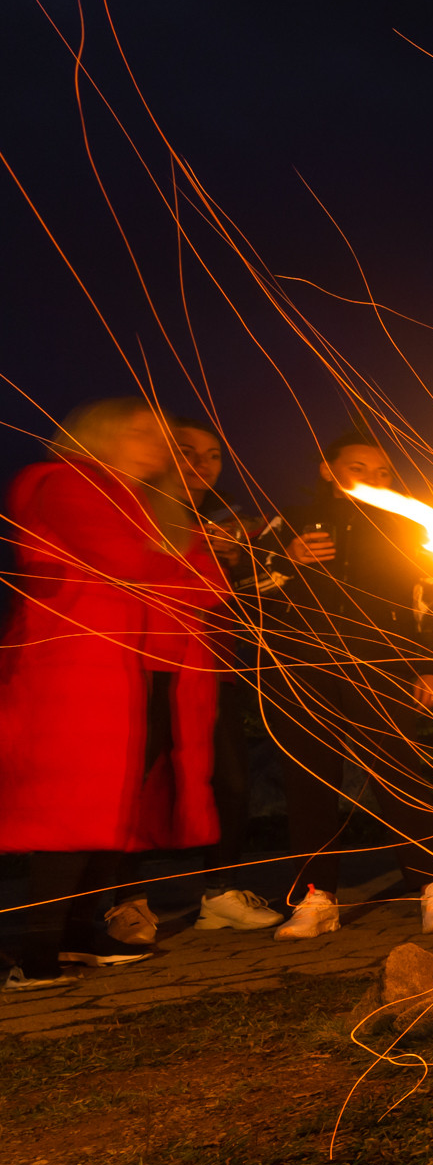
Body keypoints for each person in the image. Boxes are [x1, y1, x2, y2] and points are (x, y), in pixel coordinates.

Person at [1, 398, 228, 984]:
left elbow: (210, 585)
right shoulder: (63, 482)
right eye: (141, 432)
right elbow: (125, 559)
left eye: (162, 434)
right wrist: (177, 566)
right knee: (70, 811)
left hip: (140, 670)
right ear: (99, 434)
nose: (159, 445)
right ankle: (36, 952)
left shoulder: (151, 504)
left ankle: (79, 936)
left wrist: (177, 566)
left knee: (115, 808)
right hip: (75, 672)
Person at [260, 430, 433, 938]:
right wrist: (288, 559)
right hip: (302, 665)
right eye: (358, 468)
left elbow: (432, 597)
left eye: (383, 472)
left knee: (398, 772)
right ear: (328, 470)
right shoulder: (289, 519)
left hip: (379, 663)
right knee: (310, 781)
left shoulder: (409, 525)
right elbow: (247, 588)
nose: (373, 479)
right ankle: (315, 897)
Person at [169, 416, 284, 932]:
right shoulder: (146, 510)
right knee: (148, 784)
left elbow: (243, 599)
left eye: (213, 455)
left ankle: (219, 891)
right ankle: (120, 902)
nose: (202, 464)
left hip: (217, 664)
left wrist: (239, 560)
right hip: (154, 664)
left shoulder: (227, 515)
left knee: (232, 780)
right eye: (187, 451)